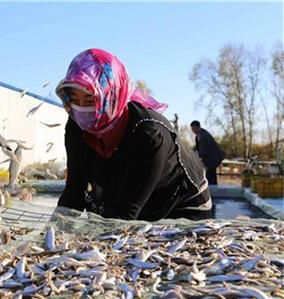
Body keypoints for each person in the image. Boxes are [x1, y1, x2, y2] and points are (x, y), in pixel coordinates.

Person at [55, 49, 212, 221]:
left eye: (91, 100)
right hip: (131, 200)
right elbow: (74, 190)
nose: (83, 109)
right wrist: (51, 233)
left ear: (111, 94)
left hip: (180, 204)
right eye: (75, 100)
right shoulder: (76, 126)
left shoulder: (148, 133)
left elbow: (124, 213)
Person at [190, 120, 224, 185]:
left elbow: (203, 151)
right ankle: (213, 188)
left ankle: (212, 190)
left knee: (210, 175)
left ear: (197, 127)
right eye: (192, 129)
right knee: (211, 174)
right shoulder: (199, 134)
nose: (192, 130)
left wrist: (196, 157)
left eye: (193, 128)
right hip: (211, 158)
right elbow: (197, 147)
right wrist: (190, 152)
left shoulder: (203, 136)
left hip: (213, 158)